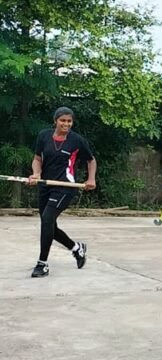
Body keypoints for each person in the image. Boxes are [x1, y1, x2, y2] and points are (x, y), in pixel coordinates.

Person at [27, 106, 96, 278]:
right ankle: (76, 248)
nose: (66, 124)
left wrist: (91, 179)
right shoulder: (44, 136)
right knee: (49, 224)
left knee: (47, 219)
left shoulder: (77, 141)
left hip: (66, 186)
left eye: (69, 121)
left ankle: (42, 264)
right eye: (62, 120)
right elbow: (37, 159)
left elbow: (91, 160)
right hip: (45, 185)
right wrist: (36, 174)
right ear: (55, 121)